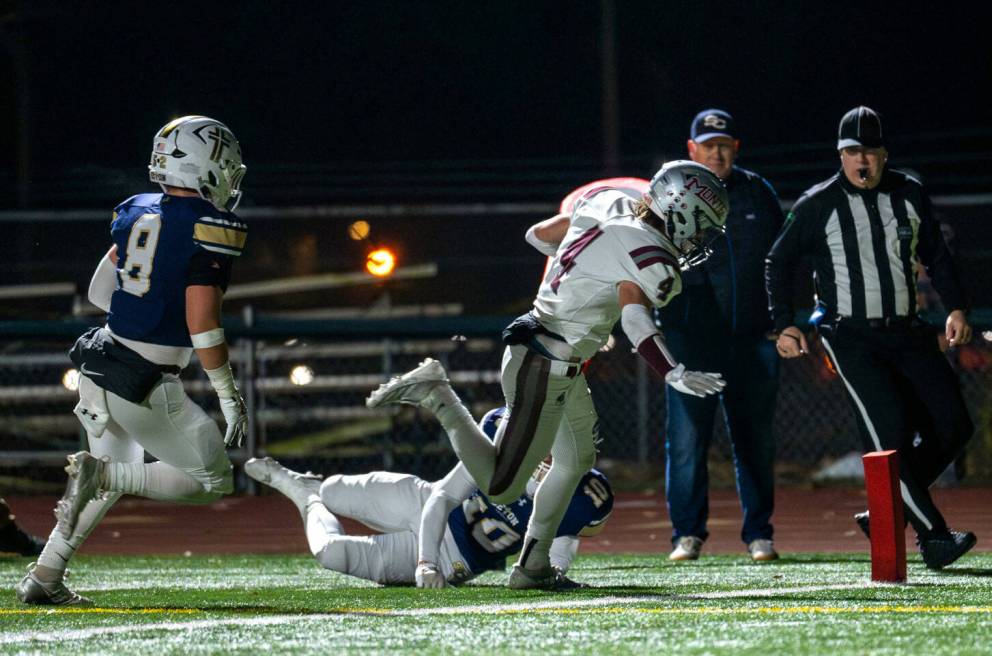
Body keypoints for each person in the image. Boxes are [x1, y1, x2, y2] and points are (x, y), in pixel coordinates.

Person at [366, 160, 729, 590]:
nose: (700, 238)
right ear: (681, 210)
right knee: (501, 486)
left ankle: (532, 566)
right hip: (544, 364)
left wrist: (584, 273)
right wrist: (673, 371)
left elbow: (537, 236)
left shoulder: (608, 199)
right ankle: (438, 394)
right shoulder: (653, 259)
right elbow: (635, 320)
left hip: (549, 352)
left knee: (575, 460)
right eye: (702, 226)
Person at [16, 115, 250, 605]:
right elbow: (203, 323)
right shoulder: (211, 226)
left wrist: (143, 308)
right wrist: (229, 393)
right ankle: (101, 475)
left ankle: (45, 576)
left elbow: (100, 292)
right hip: (143, 381)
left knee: (103, 479)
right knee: (213, 479)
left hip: (100, 360)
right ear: (205, 167)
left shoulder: (136, 210)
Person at [765, 106, 977, 569]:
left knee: (955, 425)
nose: (862, 160)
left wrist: (957, 307)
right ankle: (934, 538)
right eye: (853, 151)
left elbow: (937, 254)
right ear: (840, 155)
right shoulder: (818, 203)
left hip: (908, 330)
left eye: (870, 151)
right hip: (850, 336)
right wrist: (784, 323)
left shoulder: (909, 192)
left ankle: (887, 507)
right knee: (889, 440)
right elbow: (777, 261)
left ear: (884, 154)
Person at [243, 408, 613, 587]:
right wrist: (425, 562)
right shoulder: (500, 433)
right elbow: (444, 495)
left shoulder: (586, 495)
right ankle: (315, 489)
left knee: (331, 554)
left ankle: (301, 495)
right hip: (424, 501)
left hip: (456, 557)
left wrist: (552, 571)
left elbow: (564, 536)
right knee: (333, 490)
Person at [659, 109, 785, 562]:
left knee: (755, 441)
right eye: (708, 145)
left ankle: (759, 535)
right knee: (687, 442)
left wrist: (784, 320)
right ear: (691, 149)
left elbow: (783, 258)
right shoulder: (667, 195)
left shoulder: (757, 191)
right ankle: (686, 535)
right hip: (690, 342)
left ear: (736, 148)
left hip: (752, 340)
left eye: (724, 145)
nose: (717, 153)